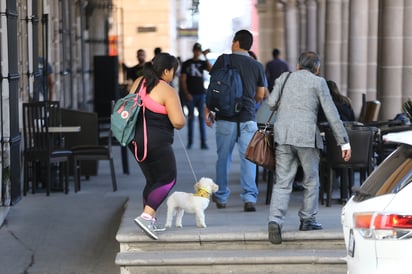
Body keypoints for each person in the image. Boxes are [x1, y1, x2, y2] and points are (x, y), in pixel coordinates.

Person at [266, 51, 352, 244]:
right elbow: (332, 114)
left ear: (298, 65)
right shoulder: (318, 82)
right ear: (317, 68)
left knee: (282, 181)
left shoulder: (284, 78)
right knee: (311, 179)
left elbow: (271, 104)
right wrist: (343, 142)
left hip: (284, 135)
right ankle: (307, 219)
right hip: (306, 137)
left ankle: (275, 220)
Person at [206, 29, 267, 212]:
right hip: (248, 118)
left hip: (225, 117)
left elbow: (213, 89)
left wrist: (208, 110)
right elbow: (260, 94)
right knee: (248, 159)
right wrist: (250, 103)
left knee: (223, 159)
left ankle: (222, 196)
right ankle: (249, 198)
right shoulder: (257, 65)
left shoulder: (223, 60)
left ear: (237, 43)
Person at [128, 52, 186, 240]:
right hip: (156, 141)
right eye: (173, 71)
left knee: (153, 180)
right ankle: (146, 216)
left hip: (134, 139)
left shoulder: (138, 82)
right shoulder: (167, 90)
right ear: (166, 70)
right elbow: (178, 121)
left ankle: (150, 221)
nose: (174, 75)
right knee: (168, 179)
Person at [180, 42, 212, 149]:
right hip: (191, 94)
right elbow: (183, 80)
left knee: (202, 118)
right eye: (196, 50)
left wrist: (205, 56)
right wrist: (186, 93)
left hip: (201, 94)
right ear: (193, 51)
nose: (197, 52)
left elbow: (211, 70)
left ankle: (203, 143)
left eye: (199, 51)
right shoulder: (187, 63)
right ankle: (190, 142)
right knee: (191, 118)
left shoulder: (202, 62)